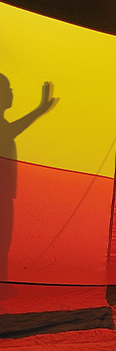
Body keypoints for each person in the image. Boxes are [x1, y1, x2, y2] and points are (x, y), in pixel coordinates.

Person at [0, 75, 58, 285]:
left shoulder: (3, 124)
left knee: (4, 240)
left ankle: (3, 283)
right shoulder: (2, 127)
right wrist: (39, 109)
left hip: (5, 194)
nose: (11, 92)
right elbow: (8, 133)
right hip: (2, 195)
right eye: (6, 88)